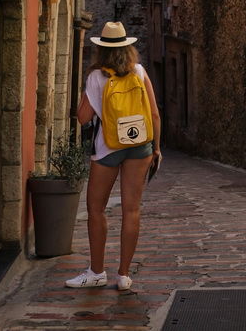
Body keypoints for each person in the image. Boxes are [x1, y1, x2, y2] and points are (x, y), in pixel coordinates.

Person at [65, 21, 161, 291]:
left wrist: (86, 94)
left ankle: (97, 272)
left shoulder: (97, 76)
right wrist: (156, 149)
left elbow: (83, 118)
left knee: (96, 209)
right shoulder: (139, 71)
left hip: (108, 147)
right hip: (140, 145)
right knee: (132, 209)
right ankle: (124, 275)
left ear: (102, 49)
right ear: (128, 47)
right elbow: (154, 114)